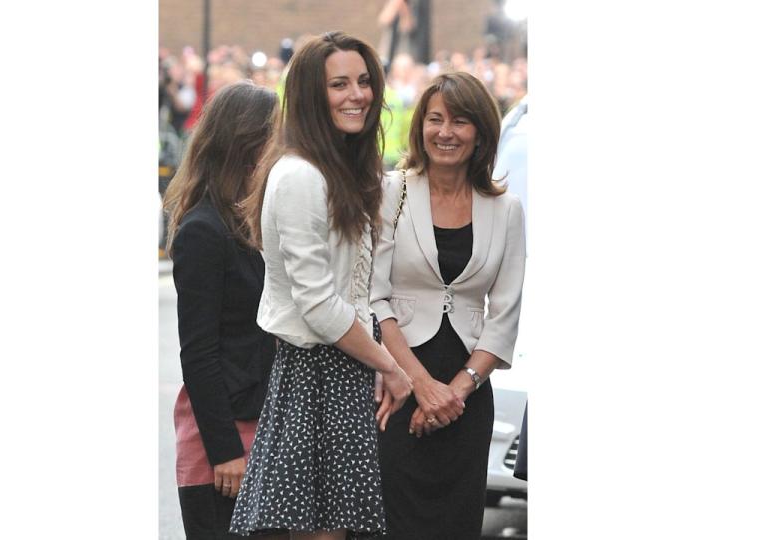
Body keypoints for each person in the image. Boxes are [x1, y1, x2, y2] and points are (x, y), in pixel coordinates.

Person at [229, 31, 414, 540]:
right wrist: (389, 365)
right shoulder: (300, 176)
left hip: (344, 367)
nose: (357, 95)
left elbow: (355, 289)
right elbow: (319, 305)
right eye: (339, 84)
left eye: (363, 82)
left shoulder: (343, 171)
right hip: (315, 371)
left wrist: (372, 360)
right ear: (312, 94)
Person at [371, 72, 526, 539]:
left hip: (468, 397)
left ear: (480, 131)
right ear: (420, 127)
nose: (445, 132)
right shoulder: (390, 193)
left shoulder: (506, 210)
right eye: (435, 119)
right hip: (397, 387)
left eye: (459, 121)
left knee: (456, 524)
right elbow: (373, 296)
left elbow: (505, 315)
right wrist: (419, 385)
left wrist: (454, 393)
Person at [162, 81, 284, 540]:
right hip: (224, 444)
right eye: (275, 134)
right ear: (246, 144)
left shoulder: (256, 221)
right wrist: (225, 451)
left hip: (265, 430)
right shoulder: (203, 230)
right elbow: (198, 353)